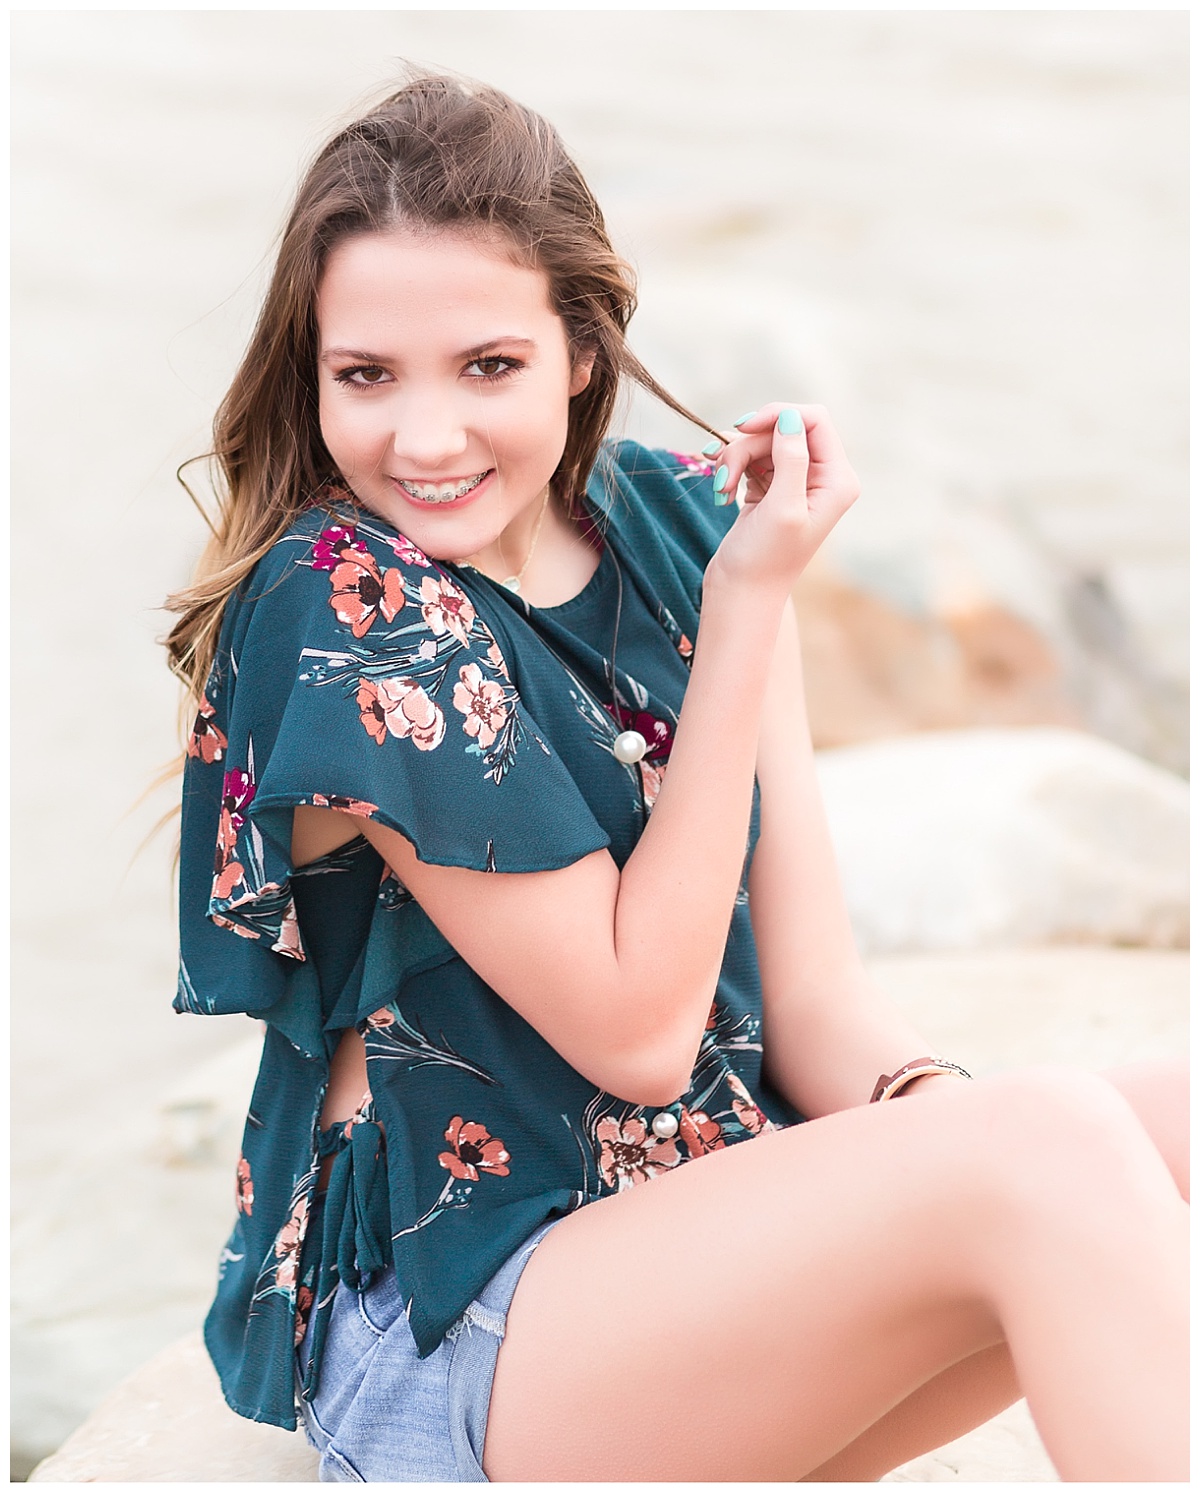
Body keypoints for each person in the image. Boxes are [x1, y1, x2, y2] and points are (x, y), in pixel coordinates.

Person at [166, 71, 1188, 1483]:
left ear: (581, 353)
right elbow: (641, 1033)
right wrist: (753, 603)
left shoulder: (670, 522)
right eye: (367, 376)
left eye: (488, 366)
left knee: (1158, 1128)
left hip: (702, 1264)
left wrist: (934, 1125)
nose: (426, 437)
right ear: (314, 375)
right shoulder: (342, 605)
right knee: (1051, 1146)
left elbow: (815, 1003)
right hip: (460, 1333)